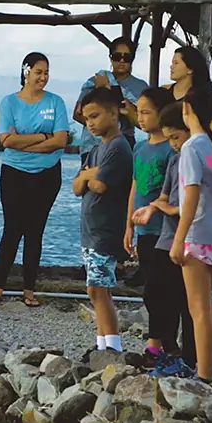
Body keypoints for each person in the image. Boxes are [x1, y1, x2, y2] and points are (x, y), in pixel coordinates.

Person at [0, 53, 71, 307]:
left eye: (46, 72)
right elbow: (5, 141)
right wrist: (44, 137)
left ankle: (29, 290)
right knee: (12, 228)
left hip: (47, 175)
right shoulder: (9, 102)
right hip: (14, 173)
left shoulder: (56, 103)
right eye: (38, 72)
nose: (43, 77)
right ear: (26, 72)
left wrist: (25, 142)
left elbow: (61, 141)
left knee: (35, 231)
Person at [170, 86, 212, 381]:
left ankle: (205, 376)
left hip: (197, 234)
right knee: (206, 302)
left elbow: (192, 193)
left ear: (187, 110)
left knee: (197, 309)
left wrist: (178, 239)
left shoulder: (192, 147)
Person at [133, 103, 197, 375]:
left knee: (186, 301)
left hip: (187, 236)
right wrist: (151, 208)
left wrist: (168, 209)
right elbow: (164, 195)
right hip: (166, 235)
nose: (172, 144)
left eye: (176, 137)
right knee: (154, 292)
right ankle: (170, 348)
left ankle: (190, 359)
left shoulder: (197, 155)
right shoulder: (175, 158)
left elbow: (193, 202)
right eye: (169, 138)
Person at [73, 87, 134, 352]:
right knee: (95, 289)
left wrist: (89, 177)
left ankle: (112, 348)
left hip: (105, 231)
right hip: (90, 230)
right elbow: (77, 187)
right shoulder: (96, 149)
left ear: (113, 114)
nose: (91, 123)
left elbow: (99, 186)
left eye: (95, 116)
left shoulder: (119, 147)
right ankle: (101, 345)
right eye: (87, 118)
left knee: (100, 289)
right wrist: (88, 175)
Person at [125, 87, 178, 352]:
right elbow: (135, 187)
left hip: (165, 231)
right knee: (150, 287)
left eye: (146, 112)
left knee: (158, 290)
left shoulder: (172, 149)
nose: (141, 118)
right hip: (143, 230)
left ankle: (157, 343)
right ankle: (162, 343)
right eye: (138, 112)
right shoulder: (140, 147)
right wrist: (128, 227)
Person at [75, 37, 149, 163]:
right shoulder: (93, 81)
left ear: (132, 59)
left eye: (127, 57)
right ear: (110, 57)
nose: (121, 60)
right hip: (92, 146)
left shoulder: (140, 87)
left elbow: (145, 123)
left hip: (122, 143)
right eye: (117, 56)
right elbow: (77, 114)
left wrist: (108, 90)